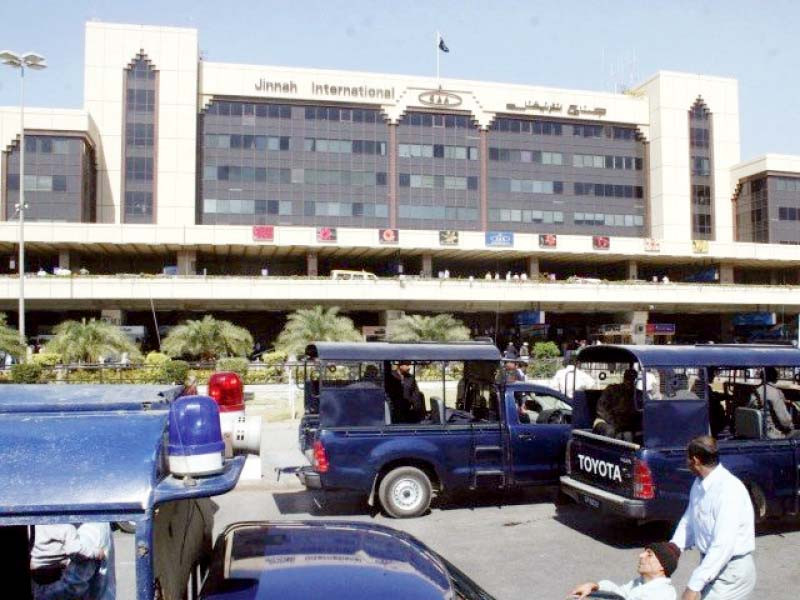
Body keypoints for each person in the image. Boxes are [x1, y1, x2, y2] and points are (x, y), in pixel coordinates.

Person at [670, 436, 755, 600]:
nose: (686, 463)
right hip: (711, 565)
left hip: (731, 573)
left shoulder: (728, 491)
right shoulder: (699, 483)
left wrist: (694, 586)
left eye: (687, 459)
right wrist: (673, 548)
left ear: (695, 461)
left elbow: (723, 545)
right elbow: (690, 519)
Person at [31, 522, 115, 600]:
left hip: (41, 573)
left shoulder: (36, 524)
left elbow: (74, 585)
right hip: (51, 576)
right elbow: (75, 550)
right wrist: (96, 553)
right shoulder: (67, 528)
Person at [569, 542, 680, 600]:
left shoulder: (662, 595)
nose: (641, 555)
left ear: (662, 566)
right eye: (644, 552)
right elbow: (619, 592)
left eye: (649, 555)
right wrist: (594, 586)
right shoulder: (641, 582)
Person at [594, 368, 639, 438]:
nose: (630, 382)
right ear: (624, 378)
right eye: (628, 378)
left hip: (625, 424)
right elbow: (601, 409)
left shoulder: (637, 394)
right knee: (610, 431)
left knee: (630, 435)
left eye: (632, 379)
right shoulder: (611, 390)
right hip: (605, 421)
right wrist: (613, 422)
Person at [763, 366, 796, 439]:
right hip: (773, 434)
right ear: (775, 377)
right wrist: (791, 426)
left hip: (761, 430)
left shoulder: (755, 391)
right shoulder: (775, 393)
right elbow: (785, 421)